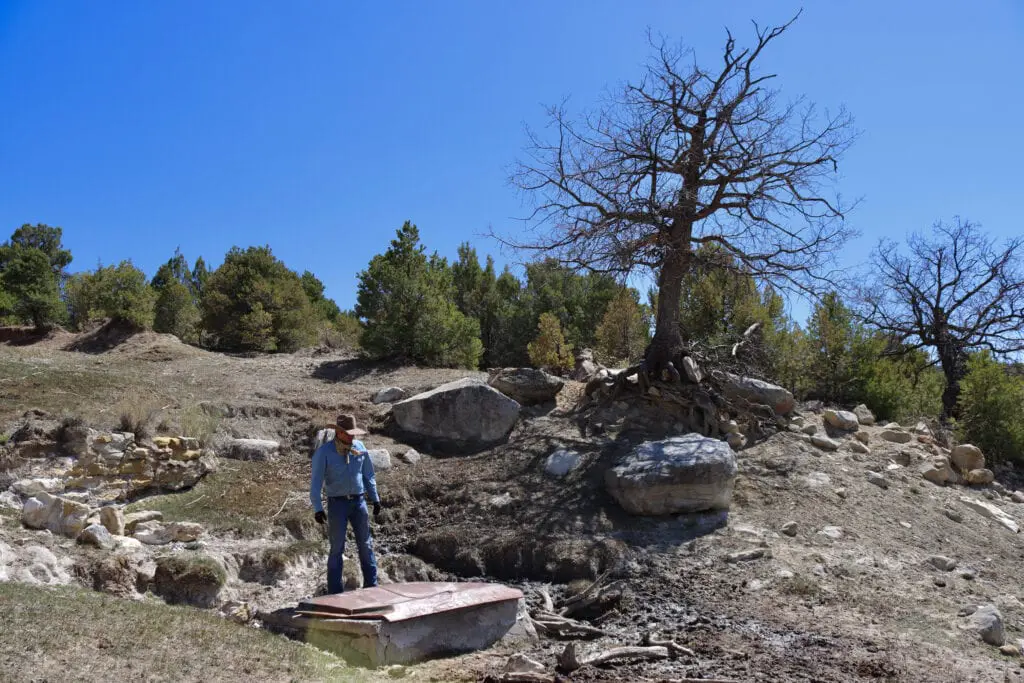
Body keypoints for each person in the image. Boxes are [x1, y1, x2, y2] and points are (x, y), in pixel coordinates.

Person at [309, 413, 380, 593]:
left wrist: (375, 498)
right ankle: (335, 591)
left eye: (353, 433)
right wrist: (318, 508)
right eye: (348, 433)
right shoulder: (324, 452)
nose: (351, 437)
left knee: (365, 544)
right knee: (337, 547)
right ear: (338, 432)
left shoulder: (360, 447)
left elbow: (368, 475)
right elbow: (316, 482)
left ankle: (372, 586)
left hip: (359, 502)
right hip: (337, 504)